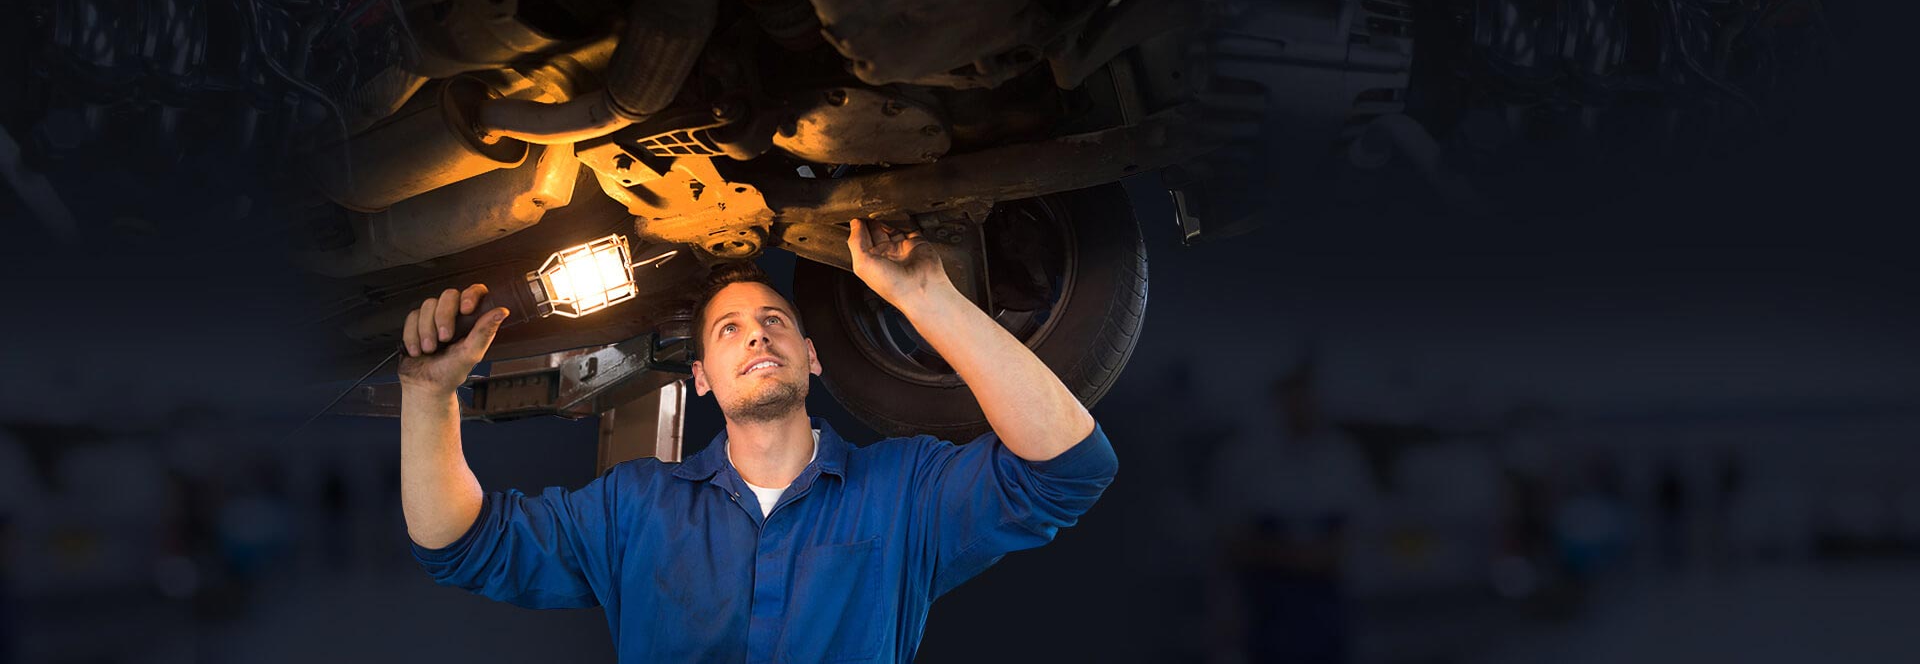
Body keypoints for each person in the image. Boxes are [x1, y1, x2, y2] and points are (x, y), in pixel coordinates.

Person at [395, 219, 1117, 662]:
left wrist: (928, 297)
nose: (757, 336)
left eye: (774, 322)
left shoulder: (904, 491)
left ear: (811, 355)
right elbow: (459, 546)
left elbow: (1069, 469)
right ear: (702, 377)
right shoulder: (633, 509)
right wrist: (428, 395)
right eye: (729, 329)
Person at [1206, 357, 1376, 664]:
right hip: (1265, 608)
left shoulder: (1341, 458)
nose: (1301, 405)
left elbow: (1352, 541)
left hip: (1326, 609)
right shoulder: (1244, 459)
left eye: (1307, 395)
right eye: (1292, 395)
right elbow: (1229, 543)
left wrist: (1303, 556)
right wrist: (1298, 557)